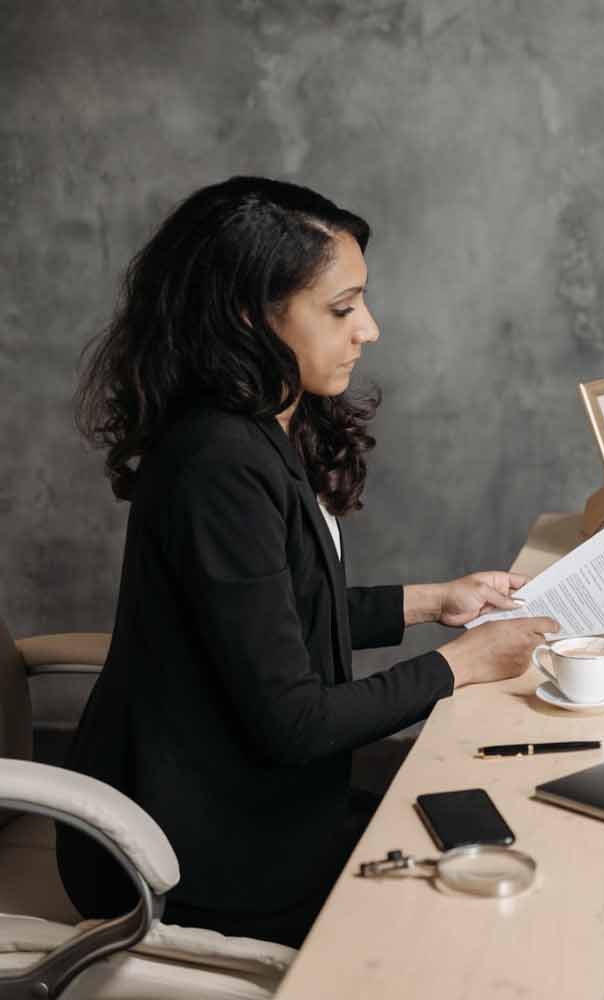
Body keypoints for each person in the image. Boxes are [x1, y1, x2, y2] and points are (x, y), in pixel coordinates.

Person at [62, 176, 558, 948]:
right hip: (193, 853)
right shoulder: (218, 463)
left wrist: (435, 601)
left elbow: (273, 612)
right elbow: (291, 721)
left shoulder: (253, 431)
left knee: (499, 829)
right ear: (249, 315)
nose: (370, 329)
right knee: (490, 904)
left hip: (253, 808)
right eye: (341, 308)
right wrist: (463, 665)